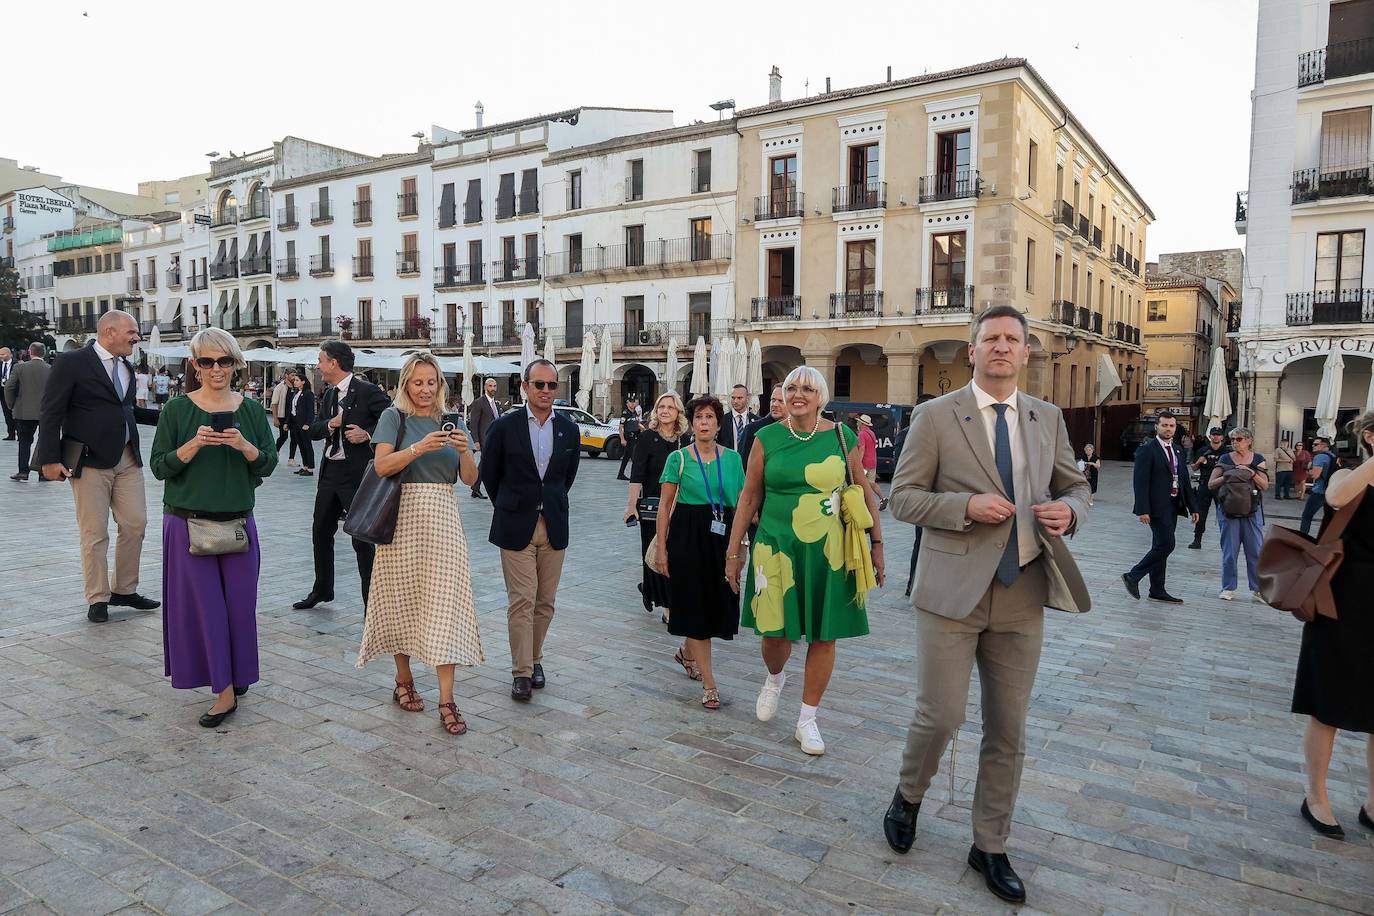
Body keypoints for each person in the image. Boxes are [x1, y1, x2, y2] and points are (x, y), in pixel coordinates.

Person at [883, 304, 1091, 905]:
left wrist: (1071, 511)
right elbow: (903, 498)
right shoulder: (934, 416)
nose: (1002, 347)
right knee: (942, 715)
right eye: (991, 338)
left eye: (1013, 339)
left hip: (1022, 591)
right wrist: (963, 509)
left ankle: (990, 844)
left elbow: (1075, 485)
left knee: (1009, 729)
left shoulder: (1047, 417)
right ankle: (909, 794)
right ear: (972, 351)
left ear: (1026, 352)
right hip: (951, 593)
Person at [724, 365, 884, 756]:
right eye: (791, 387)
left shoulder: (843, 437)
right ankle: (775, 677)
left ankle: (807, 719)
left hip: (827, 550)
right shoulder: (765, 438)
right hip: (775, 547)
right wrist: (734, 550)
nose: (798, 395)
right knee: (775, 634)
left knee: (823, 634)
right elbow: (748, 497)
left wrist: (876, 543)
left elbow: (863, 491)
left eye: (807, 389)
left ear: (821, 397)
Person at [149, 328, 277, 728]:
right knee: (205, 611)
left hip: (238, 523)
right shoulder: (176, 411)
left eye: (224, 360)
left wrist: (243, 445)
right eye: (207, 361)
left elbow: (268, 464)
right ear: (195, 366)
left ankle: (237, 676)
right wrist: (193, 445)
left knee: (240, 609)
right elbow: (158, 466)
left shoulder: (252, 411)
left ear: (237, 363)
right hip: (187, 525)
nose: (216, 369)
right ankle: (223, 692)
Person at [357, 353, 484, 737]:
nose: (425, 389)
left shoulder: (454, 420)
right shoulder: (393, 417)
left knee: (448, 603)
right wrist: (419, 448)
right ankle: (403, 678)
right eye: (418, 382)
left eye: (431, 382)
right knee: (401, 599)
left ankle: (447, 699)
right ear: (406, 385)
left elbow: (469, 479)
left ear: (440, 384)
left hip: (443, 518)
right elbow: (381, 466)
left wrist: (464, 449)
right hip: (401, 517)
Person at [37, 310, 162, 622]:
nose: (137, 337)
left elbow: (126, 410)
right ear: (109, 331)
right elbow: (51, 412)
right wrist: (48, 459)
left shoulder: (126, 366)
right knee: (94, 533)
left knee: (135, 524)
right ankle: (98, 597)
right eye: (132, 332)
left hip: (128, 457)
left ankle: (125, 589)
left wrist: (169, 416)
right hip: (89, 460)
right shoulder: (72, 362)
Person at [1291, 411, 1374, 839]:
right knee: (1329, 704)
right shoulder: (1350, 475)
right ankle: (1316, 796)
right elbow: (1336, 500)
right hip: (1341, 604)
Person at [481, 359, 581, 701]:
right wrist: (511, 504)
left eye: (552, 385)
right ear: (525, 387)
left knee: (545, 602)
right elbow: (490, 476)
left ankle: (536, 659)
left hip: (553, 524)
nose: (546, 391)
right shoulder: (504, 427)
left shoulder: (568, 428)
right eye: (539, 385)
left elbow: (566, 478)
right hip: (515, 523)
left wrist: (547, 503)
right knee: (521, 600)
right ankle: (522, 672)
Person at [656, 395, 745, 709]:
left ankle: (686, 651)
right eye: (699, 418)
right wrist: (662, 550)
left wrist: (741, 547)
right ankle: (710, 685)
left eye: (710, 418)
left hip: (721, 540)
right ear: (691, 424)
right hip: (686, 539)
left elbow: (740, 507)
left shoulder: (732, 460)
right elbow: (665, 507)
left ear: (719, 424)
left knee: (715, 606)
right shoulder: (678, 459)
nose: (704, 423)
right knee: (693, 605)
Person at [293, 340, 390, 610]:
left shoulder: (368, 391)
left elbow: (394, 420)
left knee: (361, 540)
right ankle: (322, 589)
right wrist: (330, 424)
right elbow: (314, 430)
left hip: (357, 475)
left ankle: (372, 603)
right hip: (330, 471)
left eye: (320, 361)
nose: (318, 366)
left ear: (333, 363)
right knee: (320, 532)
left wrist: (367, 434)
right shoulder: (330, 394)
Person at [623, 391, 689, 624]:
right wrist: (631, 505)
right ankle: (666, 605)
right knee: (654, 553)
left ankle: (655, 591)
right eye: (661, 407)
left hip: (681, 506)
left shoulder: (686, 439)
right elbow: (637, 474)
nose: (664, 411)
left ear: (678, 412)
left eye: (670, 407)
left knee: (676, 554)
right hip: (653, 507)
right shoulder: (647, 437)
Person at [1122, 410, 1198, 603]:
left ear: (1175, 427)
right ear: (1157, 426)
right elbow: (1140, 482)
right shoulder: (1147, 449)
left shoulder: (1179, 450)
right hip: (1156, 507)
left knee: (1160, 546)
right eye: (1164, 425)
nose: (1168, 429)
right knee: (1167, 544)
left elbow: (1185, 481)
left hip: (1174, 505)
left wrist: (1193, 507)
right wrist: (1142, 509)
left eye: (1171, 425)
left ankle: (1157, 589)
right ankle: (1133, 576)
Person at [1209, 427, 1268, 601]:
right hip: (1228, 511)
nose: (1235, 442)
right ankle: (1228, 587)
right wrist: (1229, 475)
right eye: (1233, 439)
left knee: (1255, 551)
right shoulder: (1225, 458)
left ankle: (1258, 590)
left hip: (1252, 510)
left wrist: (1251, 473)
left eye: (1239, 439)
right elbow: (1211, 484)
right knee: (1229, 551)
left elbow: (1264, 485)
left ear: (1249, 441)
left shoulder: (1258, 459)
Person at [5, 342, 51, 481]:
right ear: (44, 353)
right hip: (46, 411)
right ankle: (42, 471)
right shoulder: (51, 369)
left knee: (24, 442)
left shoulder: (20, 367)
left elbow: (9, 387)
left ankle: (23, 471)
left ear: (30, 352)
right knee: (44, 442)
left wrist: (11, 405)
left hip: (24, 411)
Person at [1187, 427, 1230, 549]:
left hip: (1221, 487)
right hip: (1204, 485)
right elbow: (1194, 468)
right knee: (1201, 513)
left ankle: (1226, 540)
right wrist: (1199, 462)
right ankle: (1197, 540)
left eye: (1218, 435)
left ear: (1222, 437)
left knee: (1223, 514)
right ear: (1209, 436)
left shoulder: (1226, 453)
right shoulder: (1202, 451)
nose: (1216, 437)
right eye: (1213, 435)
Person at [467, 377, 502, 499]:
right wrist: (475, 440)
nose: (493, 388)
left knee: (486, 464)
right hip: (485, 439)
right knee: (486, 464)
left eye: (494, 386)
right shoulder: (479, 402)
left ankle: (475, 488)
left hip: (497, 438)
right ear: (485, 387)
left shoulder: (496, 404)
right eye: (490, 386)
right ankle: (477, 487)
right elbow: (474, 423)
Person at [735, 385, 784, 468]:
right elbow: (742, 468)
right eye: (773, 400)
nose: (775, 404)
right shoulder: (752, 429)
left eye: (781, 401)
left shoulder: (798, 430)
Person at [1300, 437, 1335, 535]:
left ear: (1324, 446)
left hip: (1319, 491)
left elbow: (1315, 475)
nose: (1313, 446)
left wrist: (1308, 470)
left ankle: (1302, 538)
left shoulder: (1319, 457)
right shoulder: (1332, 456)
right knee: (1328, 518)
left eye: (1315, 444)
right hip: (1330, 490)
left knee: (1307, 515)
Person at [287, 374, 316, 477]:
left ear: (303, 381)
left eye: (297, 380)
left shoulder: (308, 394)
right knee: (301, 445)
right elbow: (291, 408)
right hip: (295, 423)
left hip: (304, 424)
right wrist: (287, 422)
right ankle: (305, 466)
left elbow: (311, 410)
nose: (295, 382)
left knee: (307, 445)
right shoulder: (296, 393)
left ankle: (311, 468)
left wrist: (308, 423)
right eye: (295, 380)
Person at [718, 384, 757, 451]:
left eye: (739, 398)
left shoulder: (756, 421)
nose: (735, 401)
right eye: (733, 398)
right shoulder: (722, 420)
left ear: (747, 399)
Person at [269, 370, 294, 463]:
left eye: (295, 375)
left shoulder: (296, 386)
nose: (294, 377)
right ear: (286, 375)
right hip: (282, 415)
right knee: (284, 436)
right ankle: (275, 450)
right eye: (292, 375)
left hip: (293, 416)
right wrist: (275, 418)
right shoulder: (280, 387)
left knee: (294, 438)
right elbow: (274, 403)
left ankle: (291, 458)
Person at [616, 395, 642, 480]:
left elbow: (636, 424)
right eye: (630, 402)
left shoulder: (634, 412)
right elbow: (621, 427)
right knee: (635, 457)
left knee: (626, 457)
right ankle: (636, 476)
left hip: (635, 437)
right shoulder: (625, 413)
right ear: (627, 403)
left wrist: (642, 429)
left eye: (633, 402)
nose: (632, 404)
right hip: (629, 438)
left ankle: (620, 474)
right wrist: (622, 439)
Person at [0, 347, 17, 440]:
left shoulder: (16, 364)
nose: (1, 356)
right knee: (6, 414)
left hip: (14, 392)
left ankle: (19, 432)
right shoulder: (0, 364)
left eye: (3, 354)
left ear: (9, 354)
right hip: (2, 392)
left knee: (15, 413)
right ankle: (11, 434)